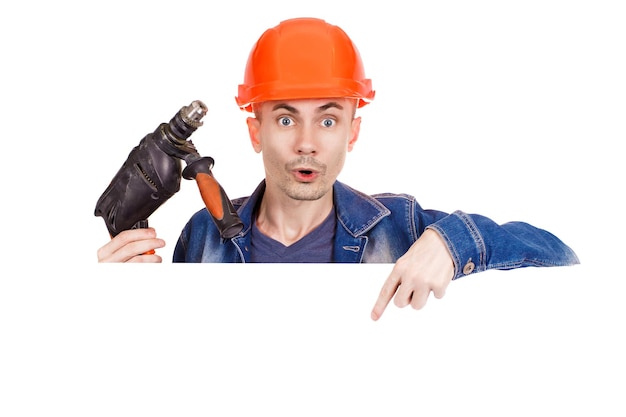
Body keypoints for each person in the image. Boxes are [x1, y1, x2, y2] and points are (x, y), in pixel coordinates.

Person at [97, 17, 579, 320]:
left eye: (328, 119)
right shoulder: (203, 235)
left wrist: (452, 243)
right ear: (255, 131)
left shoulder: (401, 226)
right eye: (285, 118)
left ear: (352, 131)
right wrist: (110, 302)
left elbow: (559, 256)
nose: (307, 143)